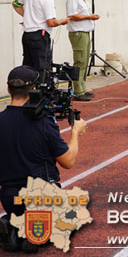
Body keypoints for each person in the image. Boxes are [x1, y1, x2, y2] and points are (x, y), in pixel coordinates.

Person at [0, 66, 87, 252]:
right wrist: (76, 132)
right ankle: (37, 234)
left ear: (8, 90)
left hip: (10, 198)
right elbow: (68, 161)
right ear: (34, 90)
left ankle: (12, 225)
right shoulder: (43, 122)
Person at [12, 0, 69, 71]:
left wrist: (28, 17)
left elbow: (15, 3)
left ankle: (28, 86)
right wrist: (61, 21)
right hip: (40, 36)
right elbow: (51, 22)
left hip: (27, 35)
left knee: (28, 67)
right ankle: (40, 86)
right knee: (42, 68)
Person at [65, 0, 99, 101]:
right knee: (80, 61)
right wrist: (90, 17)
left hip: (85, 31)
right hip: (78, 32)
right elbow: (72, 15)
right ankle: (78, 91)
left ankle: (82, 88)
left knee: (84, 60)